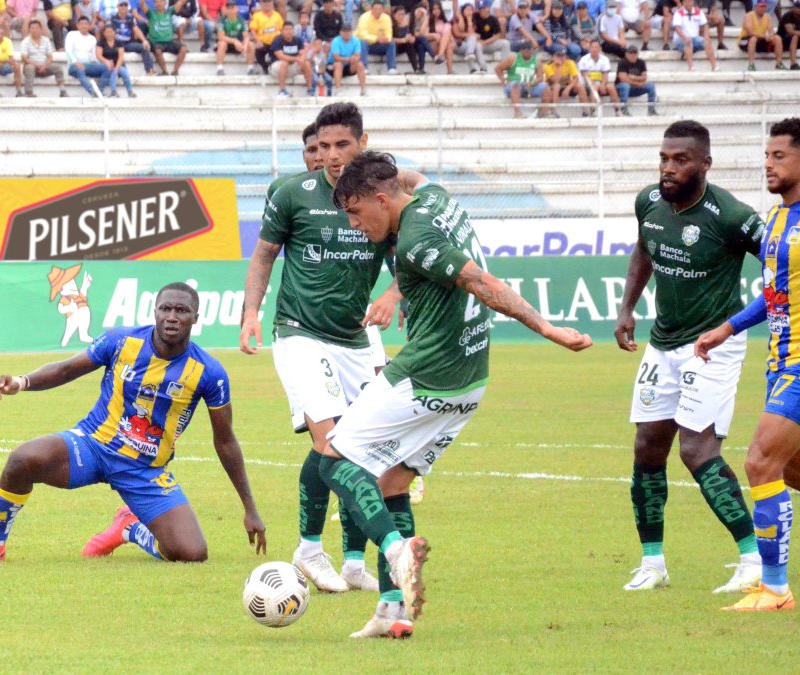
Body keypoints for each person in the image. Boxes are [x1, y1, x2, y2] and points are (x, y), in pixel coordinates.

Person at [329, 150, 592, 637]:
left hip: (429, 372)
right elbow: (413, 175)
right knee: (391, 484)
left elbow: (479, 282)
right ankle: (394, 612)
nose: (354, 223)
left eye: (355, 211)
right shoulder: (434, 198)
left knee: (335, 460)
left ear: (382, 199)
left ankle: (393, 549)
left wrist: (547, 328)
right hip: (471, 381)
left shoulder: (414, 239)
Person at [0, 283, 267, 566]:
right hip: (92, 446)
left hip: (144, 471)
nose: (172, 316)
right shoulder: (122, 341)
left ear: (195, 318)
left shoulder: (209, 372)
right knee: (23, 459)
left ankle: (129, 528)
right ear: (155, 311)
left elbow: (225, 441)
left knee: (192, 554)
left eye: (182, 311)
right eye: (165, 308)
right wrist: (22, 381)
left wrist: (249, 508)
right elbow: (67, 369)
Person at [242, 103, 422, 596]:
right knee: (332, 445)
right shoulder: (291, 194)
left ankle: (352, 562)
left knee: (361, 450)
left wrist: (391, 293)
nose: (331, 155)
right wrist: (251, 313)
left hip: (355, 339)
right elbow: (263, 255)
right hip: (300, 333)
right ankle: (320, 548)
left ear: (363, 144)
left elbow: (411, 255)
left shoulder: (382, 194)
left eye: (343, 145)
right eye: (323, 147)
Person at [611, 120, 770, 595]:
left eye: (680, 160)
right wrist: (626, 307)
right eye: (664, 158)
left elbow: (783, 262)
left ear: (704, 163)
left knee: (697, 452)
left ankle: (753, 558)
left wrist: (743, 323)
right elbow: (645, 249)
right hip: (662, 343)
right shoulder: (649, 202)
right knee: (646, 450)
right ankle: (653, 563)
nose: (668, 168)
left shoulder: (731, 216)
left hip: (713, 344)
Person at [695, 116, 800, 613]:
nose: (767, 164)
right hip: (779, 360)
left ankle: (775, 589)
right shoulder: (776, 219)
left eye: (779, 156)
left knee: (761, 461)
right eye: (766, 155)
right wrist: (727, 327)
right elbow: (775, 293)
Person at [496, 40, 549, 118]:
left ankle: (544, 112)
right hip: (513, 85)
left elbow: (540, 78)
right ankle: (517, 113)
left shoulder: (537, 61)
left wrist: (533, 82)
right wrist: (504, 81)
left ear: (532, 50)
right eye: (525, 50)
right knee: (516, 85)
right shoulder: (513, 58)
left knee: (546, 87)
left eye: (529, 50)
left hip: (529, 85)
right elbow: (498, 68)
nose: (527, 52)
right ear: (521, 50)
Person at [20, 19, 68, 97]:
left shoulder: (46, 40)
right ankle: (28, 92)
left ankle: (62, 91)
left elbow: (50, 56)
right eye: (32, 28)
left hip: (44, 67)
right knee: (29, 67)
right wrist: (38, 66)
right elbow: (25, 58)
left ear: (40, 29)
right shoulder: (25, 41)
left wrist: (45, 65)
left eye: (36, 28)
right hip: (32, 67)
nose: (35, 30)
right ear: (29, 30)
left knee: (58, 67)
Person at [65, 15, 109, 96]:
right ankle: (92, 92)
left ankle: (100, 91)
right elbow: (68, 51)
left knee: (106, 68)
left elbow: (94, 56)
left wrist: (102, 63)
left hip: (88, 65)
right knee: (80, 69)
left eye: (86, 24)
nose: (84, 26)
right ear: (77, 25)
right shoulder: (71, 35)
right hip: (74, 66)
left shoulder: (92, 38)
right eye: (81, 24)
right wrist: (76, 62)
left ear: (89, 25)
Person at [143, 0, 189, 75]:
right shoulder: (151, 13)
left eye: (161, 1)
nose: (159, 4)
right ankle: (165, 71)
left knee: (184, 49)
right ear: (154, 4)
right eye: (157, 2)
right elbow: (142, 5)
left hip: (169, 42)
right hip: (156, 42)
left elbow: (180, 2)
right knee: (157, 51)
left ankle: (175, 70)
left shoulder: (169, 11)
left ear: (165, 3)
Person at [270, 20, 314, 97]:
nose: (288, 31)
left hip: (292, 67)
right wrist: (296, 59)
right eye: (286, 29)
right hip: (277, 67)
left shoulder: (298, 40)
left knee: (306, 63)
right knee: (284, 62)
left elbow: (303, 53)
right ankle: (282, 90)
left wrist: (302, 60)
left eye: (290, 29)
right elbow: (280, 56)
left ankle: (310, 90)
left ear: (293, 31)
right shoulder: (277, 40)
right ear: (282, 31)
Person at [110, 1, 155, 75]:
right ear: (117, 7)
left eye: (125, 5)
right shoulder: (113, 17)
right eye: (121, 5)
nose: (123, 6)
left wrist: (144, 40)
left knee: (144, 47)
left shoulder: (130, 17)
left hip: (128, 43)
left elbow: (136, 29)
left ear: (128, 7)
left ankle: (149, 70)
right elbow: (107, 30)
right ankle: (121, 73)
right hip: (116, 44)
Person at [739, 0, 785, 70]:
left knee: (777, 38)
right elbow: (750, 33)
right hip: (744, 40)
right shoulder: (749, 16)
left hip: (760, 39)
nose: (763, 9)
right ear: (756, 7)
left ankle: (779, 63)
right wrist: (764, 36)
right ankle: (751, 64)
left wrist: (771, 36)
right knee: (753, 39)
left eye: (765, 7)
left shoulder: (767, 17)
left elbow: (771, 30)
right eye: (761, 7)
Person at [672, 0, 717, 71]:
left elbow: (705, 25)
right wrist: (685, 37)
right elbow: (677, 28)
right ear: (683, 3)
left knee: (707, 42)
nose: (689, 4)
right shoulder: (678, 13)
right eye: (687, 2)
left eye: (690, 2)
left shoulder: (698, 11)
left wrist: (706, 36)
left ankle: (714, 66)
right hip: (680, 39)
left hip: (695, 38)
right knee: (688, 41)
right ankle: (691, 67)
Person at [543, 43, 588, 114]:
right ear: (553, 57)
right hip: (553, 88)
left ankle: (585, 110)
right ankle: (554, 110)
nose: (561, 58)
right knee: (556, 86)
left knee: (580, 86)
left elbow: (576, 78)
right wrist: (559, 66)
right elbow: (556, 81)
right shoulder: (548, 66)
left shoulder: (570, 63)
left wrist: (568, 88)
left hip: (566, 86)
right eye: (558, 56)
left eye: (563, 56)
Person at [355, 0, 398, 74]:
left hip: (379, 44)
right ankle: (364, 68)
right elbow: (362, 34)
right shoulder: (364, 17)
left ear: (383, 10)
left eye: (379, 9)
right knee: (362, 42)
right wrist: (377, 38)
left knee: (391, 42)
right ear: (371, 9)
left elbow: (389, 34)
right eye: (375, 9)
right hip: (366, 45)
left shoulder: (386, 18)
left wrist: (386, 38)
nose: (377, 11)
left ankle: (392, 68)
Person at [614, 44, 657, 115]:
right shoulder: (622, 62)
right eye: (631, 53)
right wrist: (638, 82)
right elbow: (623, 79)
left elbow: (644, 77)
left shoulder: (641, 62)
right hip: (622, 88)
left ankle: (651, 109)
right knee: (625, 86)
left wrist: (633, 77)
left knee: (651, 86)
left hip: (636, 88)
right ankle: (623, 109)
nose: (633, 55)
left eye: (635, 53)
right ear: (626, 54)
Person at [577, 38, 615, 115]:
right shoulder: (583, 60)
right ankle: (590, 110)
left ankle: (618, 110)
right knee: (594, 87)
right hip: (586, 83)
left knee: (611, 87)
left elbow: (605, 74)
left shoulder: (605, 59)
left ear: (600, 48)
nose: (594, 49)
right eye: (593, 47)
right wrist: (594, 85)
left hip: (599, 82)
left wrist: (603, 84)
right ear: (590, 48)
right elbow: (585, 75)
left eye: (596, 47)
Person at [328, 20, 367, 93]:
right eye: (344, 31)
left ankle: (363, 89)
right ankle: (337, 89)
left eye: (348, 31)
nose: (346, 33)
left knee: (360, 64)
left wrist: (354, 59)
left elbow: (357, 55)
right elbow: (336, 57)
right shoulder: (336, 41)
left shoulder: (356, 41)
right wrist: (348, 59)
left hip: (349, 66)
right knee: (338, 65)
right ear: (340, 32)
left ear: (351, 32)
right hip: (334, 66)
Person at [96, 23, 135, 96]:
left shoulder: (119, 43)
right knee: (109, 70)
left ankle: (130, 91)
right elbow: (99, 55)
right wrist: (107, 62)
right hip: (106, 65)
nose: (109, 34)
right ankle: (110, 91)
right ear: (104, 33)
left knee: (124, 72)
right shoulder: (101, 43)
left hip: (118, 64)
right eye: (107, 32)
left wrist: (116, 68)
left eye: (111, 32)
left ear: (114, 32)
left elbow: (121, 57)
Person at [214, 1, 252, 75]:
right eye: (228, 8)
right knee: (222, 43)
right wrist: (234, 41)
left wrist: (245, 45)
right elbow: (221, 37)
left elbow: (246, 36)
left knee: (250, 44)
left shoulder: (241, 20)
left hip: (238, 45)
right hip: (227, 45)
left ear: (237, 9)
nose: (230, 10)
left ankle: (250, 68)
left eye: (232, 8)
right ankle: (220, 68)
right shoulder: (221, 20)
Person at [248, 0, 283, 74]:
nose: (267, 4)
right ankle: (265, 67)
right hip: (263, 43)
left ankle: (273, 66)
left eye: (269, 1)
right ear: (260, 3)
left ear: (272, 3)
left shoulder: (277, 15)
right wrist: (257, 40)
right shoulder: (256, 16)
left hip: (275, 44)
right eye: (264, 2)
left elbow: (282, 30)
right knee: (258, 50)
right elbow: (253, 30)